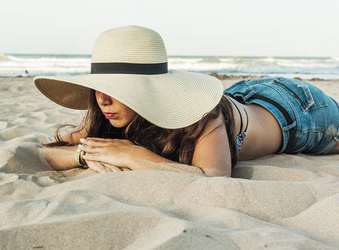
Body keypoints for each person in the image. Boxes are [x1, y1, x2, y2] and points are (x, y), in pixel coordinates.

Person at [34, 25, 339, 177]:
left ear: (148, 89)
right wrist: (83, 157)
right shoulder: (112, 113)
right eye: (101, 86)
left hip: (297, 113)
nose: (102, 99)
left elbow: (212, 179)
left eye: (118, 88)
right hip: (243, 92)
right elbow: (47, 152)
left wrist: (132, 157)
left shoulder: (201, 117)